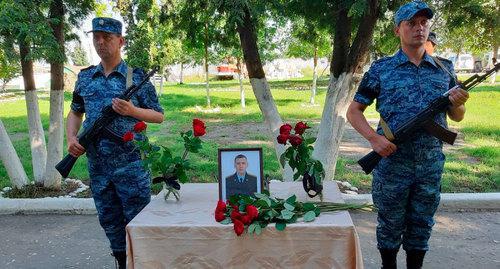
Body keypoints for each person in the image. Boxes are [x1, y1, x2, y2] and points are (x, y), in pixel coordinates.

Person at [346, 1, 469, 269]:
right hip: (392, 163)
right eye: (411, 23)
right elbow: (354, 112)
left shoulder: (444, 68)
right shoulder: (382, 69)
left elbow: (457, 116)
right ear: (397, 30)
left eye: (424, 22)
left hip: (429, 164)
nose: (419, 28)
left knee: (422, 223)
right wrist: (374, 139)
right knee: (389, 223)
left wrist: (458, 102)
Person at [65, 17, 164, 269]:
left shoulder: (135, 77)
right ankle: (122, 262)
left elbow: (158, 115)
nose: (100, 42)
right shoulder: (86, 77)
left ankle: (142, 263)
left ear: (120, 41)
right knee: (109, 221)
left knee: (139, 221)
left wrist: (132, 111)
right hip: (99, 168)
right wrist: (71, 138)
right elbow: (76, 112)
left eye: (107, 37)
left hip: (132, 165)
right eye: (96, 37)